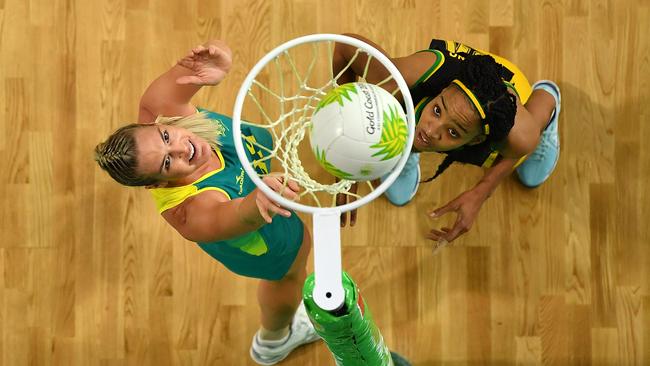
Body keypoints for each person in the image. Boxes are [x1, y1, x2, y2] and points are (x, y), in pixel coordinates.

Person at [94, 40, 319, 365]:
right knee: (290, 272)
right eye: (168, 164)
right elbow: (239, 214)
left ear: (156, 124)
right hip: (265, 239)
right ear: (158, 183)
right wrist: (258, 198)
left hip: (260, 182)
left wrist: (207, 70)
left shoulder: (160, 107)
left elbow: (185, 76)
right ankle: (274, 340)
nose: (183, 149)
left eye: (167, 138)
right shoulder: (193, 214)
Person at [333, 34, 561, 245]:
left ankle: (548, 122)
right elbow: (345, 47)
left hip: (518, 96)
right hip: (466, 76)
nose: (432, 130)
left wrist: (481, 191)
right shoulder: (401, 79)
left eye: (454, 132)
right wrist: (350, 159)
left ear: (476, 140)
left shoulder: (517, 136)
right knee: (405, 128)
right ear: (442, 92)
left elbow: (537, 113)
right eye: (437, 110)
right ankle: (408, 148)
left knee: (536, 126)